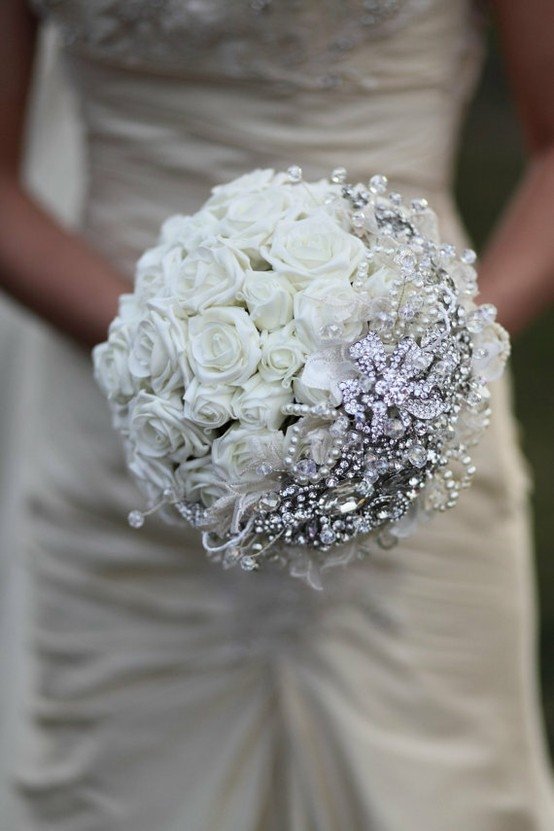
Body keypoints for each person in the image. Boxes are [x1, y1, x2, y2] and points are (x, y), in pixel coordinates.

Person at [0, 1, 553, 828]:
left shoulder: (423, 391)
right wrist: (170, 357)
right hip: (121, 450)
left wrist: (427, 376)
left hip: (419, 447)